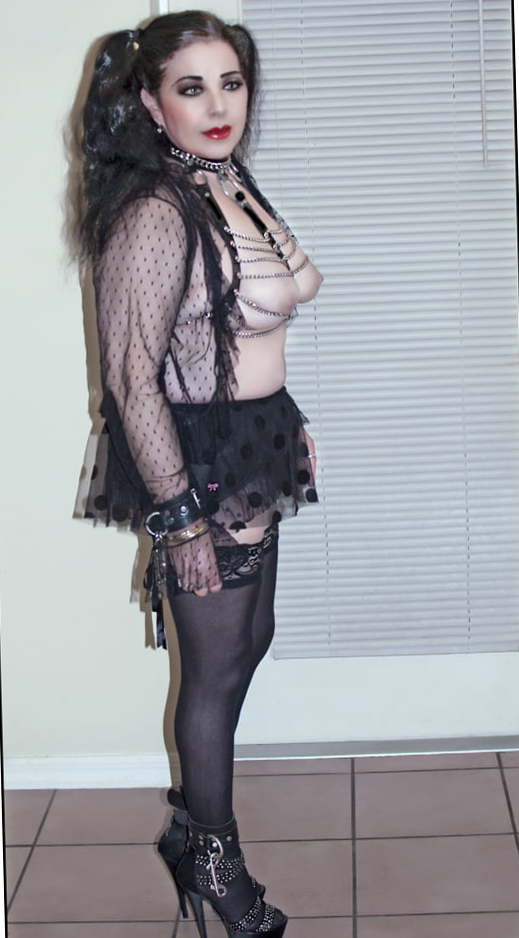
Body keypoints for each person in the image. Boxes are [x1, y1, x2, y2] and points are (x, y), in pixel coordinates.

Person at [73, 10, 322, 938]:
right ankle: (210, 855)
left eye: (231, 82)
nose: (218, 106)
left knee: (249, 640)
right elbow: (130, 378)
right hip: (199, 464)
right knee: (213, 672)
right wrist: (177, 521)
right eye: (191, 88)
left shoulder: (226, 181)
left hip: (252, 442)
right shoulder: (155, 211)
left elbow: (257, 315)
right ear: (150, 102)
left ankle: (191, 823)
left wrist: (288, 423)